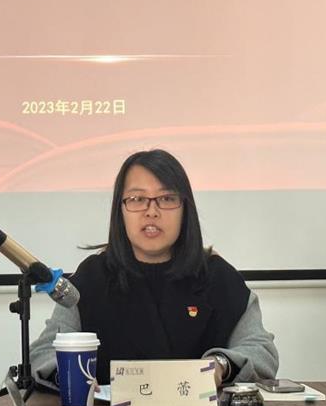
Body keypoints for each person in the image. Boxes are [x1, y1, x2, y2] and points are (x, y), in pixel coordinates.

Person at [30, 149, 279, 388]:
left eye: (167, 198)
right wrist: (70, 376)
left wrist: (221, 365)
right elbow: (43, 353)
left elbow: (260, 350)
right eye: (137, 199)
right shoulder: (92, 277)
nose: (152, 211)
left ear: (185, 209)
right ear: (120, 210)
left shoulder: (217, 276)